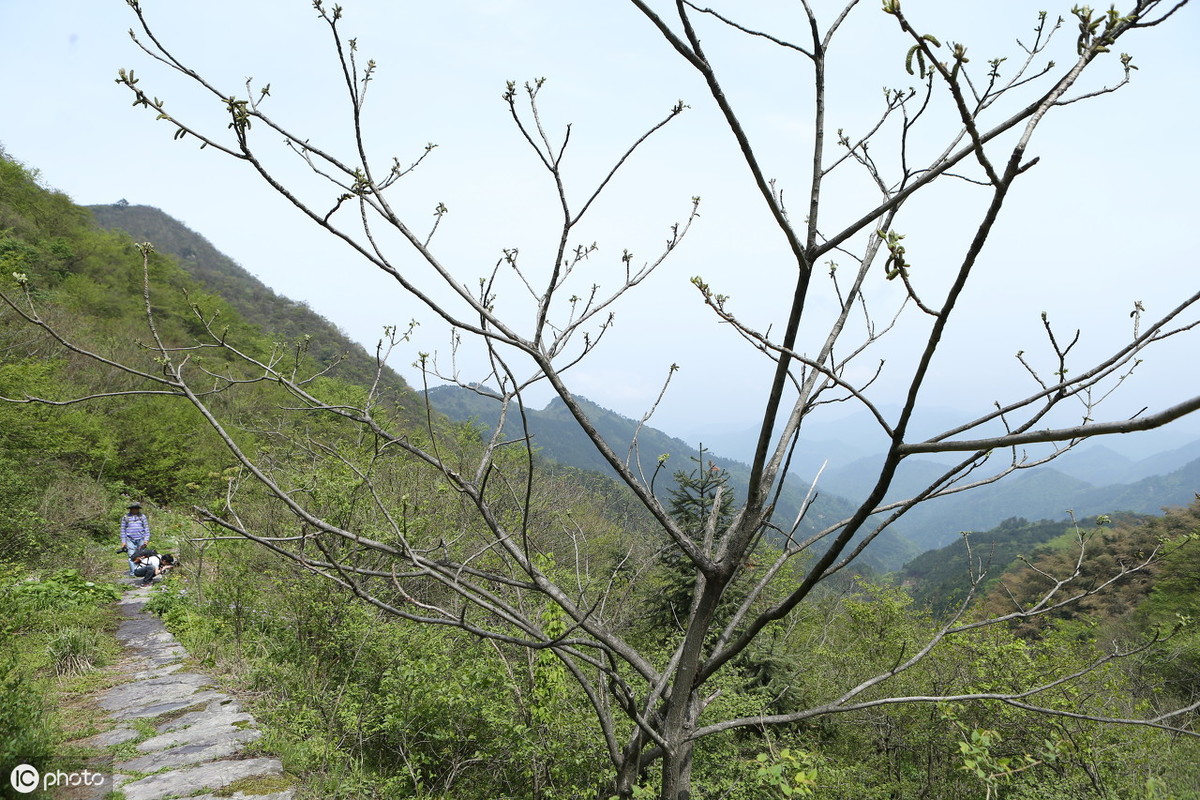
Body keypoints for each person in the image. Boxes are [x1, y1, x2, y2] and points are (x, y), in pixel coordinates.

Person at [119, 502, 150, 575]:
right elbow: (123, 529)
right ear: (131, 509)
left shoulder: (142, 516)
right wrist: (123, 541)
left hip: (141, 538)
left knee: (142, 555)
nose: (135, 510)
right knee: (131, 555)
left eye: (136, 509)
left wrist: (146, 539)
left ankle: (142, 570)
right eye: (133, 509)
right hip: (130, 539)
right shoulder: (126, 517)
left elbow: (146, 528)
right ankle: (133, 572)